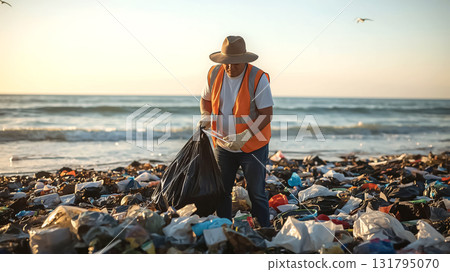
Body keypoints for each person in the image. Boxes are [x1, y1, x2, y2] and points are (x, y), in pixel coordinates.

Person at [198, 35, 273, 227]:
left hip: (253, 147)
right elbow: (205, 100)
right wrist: (206, 115)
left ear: (245, 60)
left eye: (235, 64)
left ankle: (263, 229)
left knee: (256, 192)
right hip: (223, 145)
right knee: (222, 191)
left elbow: (267, 114)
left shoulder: (258, 78)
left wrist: (245, 135)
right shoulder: (214, 73)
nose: (230, 68)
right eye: (226, 63)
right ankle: (224, 227)